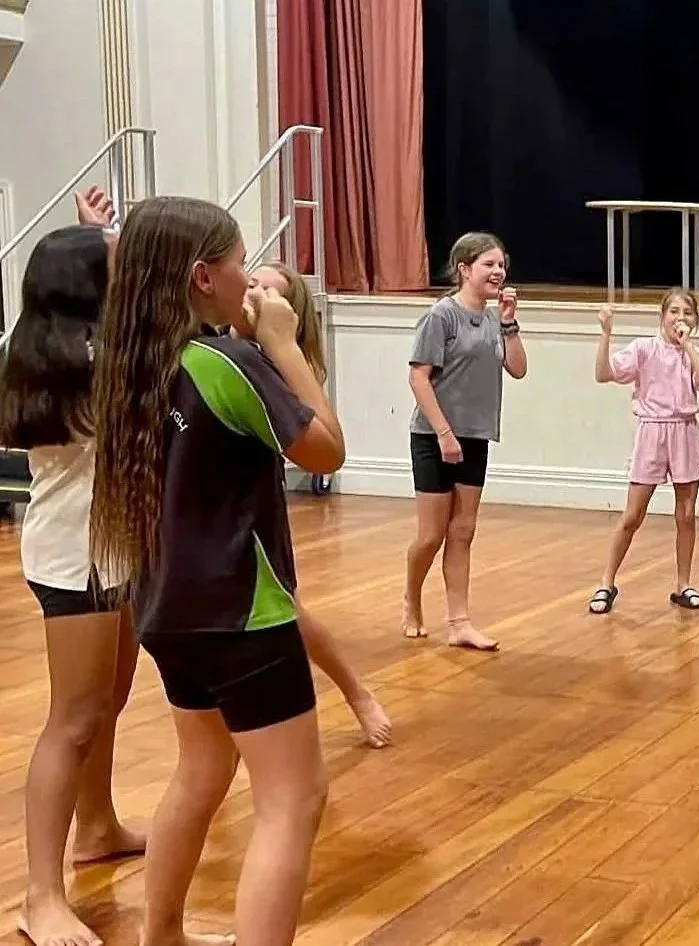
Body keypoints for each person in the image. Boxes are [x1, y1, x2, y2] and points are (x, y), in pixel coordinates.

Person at [88, 195, 345, 945]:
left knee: (201, 772)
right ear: (203, 277)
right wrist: (284, 344)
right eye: (239, 263)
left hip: (167, 610)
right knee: (294, 799)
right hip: (242, 613)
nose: (250, 278)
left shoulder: (132, 366)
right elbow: (327, 450)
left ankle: (160, 934)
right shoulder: (225, 363)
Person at [1, 209, 146, 946]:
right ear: (92, 283)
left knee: (109, 698)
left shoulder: (67, 344)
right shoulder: (94, 358)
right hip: (77, 556)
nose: (136, 271)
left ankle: (99, 825)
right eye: (120, 262)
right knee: (75, 718)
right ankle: (39, 895)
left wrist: (103, 228)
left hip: (106, 547)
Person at [250, 262, 392, 747]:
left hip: (252, 512)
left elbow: (323, 450)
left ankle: (357, 693)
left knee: (288, 612)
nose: (259, 292)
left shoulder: (281, 366)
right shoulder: (210, 348)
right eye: (255, 281)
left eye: (274, 290)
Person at [403, 232, 528, 650]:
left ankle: (460, 622)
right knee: (431, 535)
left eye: (501, 264)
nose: (498, 272)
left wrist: (509, 322)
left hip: (475, 436)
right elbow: (418, 377)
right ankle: (412, 599)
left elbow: (518, 368)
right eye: (489, 264)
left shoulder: (495, 320)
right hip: (434, 435)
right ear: (464, 269)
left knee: (464, 530)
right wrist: (443, 433)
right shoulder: (442, 316)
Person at [588, 288, 699, 614]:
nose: (680, 318)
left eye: (687, 313)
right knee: (633, 515)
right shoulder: (644, 349)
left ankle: (683, 584)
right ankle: (606, 582)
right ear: (662, 316)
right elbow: (604, 374)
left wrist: (688, 345)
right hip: (652, 431)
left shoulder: (693, 354)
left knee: (686, 514)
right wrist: (605, 334)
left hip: (685, 430)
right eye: (673, 311)